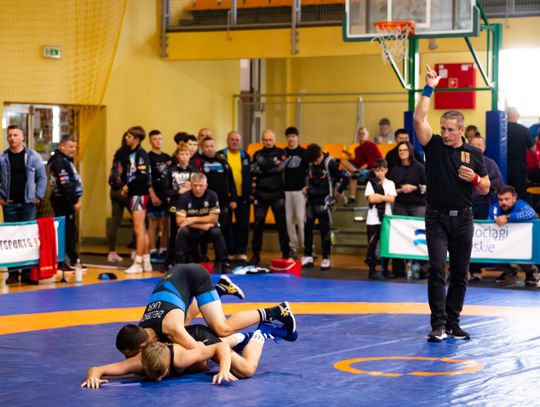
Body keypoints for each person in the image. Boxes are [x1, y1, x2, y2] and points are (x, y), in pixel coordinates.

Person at [413, 65, 490, 342]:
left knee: (460, 273)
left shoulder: (473, 153)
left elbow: (486, 187)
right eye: (443, 128)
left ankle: (453, 322)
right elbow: (419, 118)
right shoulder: (433, 146)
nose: (445, 133)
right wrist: (429, 88)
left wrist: (475, 178)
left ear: (461, 131)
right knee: (436, 270)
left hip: (464, 219)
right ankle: (438, 325)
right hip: (436, 217)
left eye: (450, 130)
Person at [115, 263, 296, 353]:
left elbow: (201, 352)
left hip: (194, 276)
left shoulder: (172, 328)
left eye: (129, 355)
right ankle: (219, 289)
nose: (131, 359)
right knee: (183, 322)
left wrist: (225, 353)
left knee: (222, 328)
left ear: (142, 345)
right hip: (176, 280)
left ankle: (277, 311)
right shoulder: (141, 329)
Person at [82, 322, 297, 388]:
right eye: (152, 374)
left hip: (199, 339)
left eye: (160, 375)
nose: (158, 380)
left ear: (168, 367)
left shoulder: (181, 357)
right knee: (202, 362)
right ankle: (240, 338)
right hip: (197, 350)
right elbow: (98, 369)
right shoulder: (138, 362)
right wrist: (93, 377)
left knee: (246, 370)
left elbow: (218, 349)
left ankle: (262, 332)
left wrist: (224, 369)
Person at [0, 124, 47, 284]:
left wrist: (38, 196)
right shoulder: (2, 158)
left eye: (16, 135)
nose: (12, 138)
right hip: (9, 205)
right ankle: (13, 273)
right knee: (11, 240)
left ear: (23, 137)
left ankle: (27, 273)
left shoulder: (33, 156)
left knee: (29, 238)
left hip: (28, 204)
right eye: (10, 135)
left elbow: (42, 177)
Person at [302, 143, 350, 270]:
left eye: (316, 160)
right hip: (310, 200)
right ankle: (308, 256)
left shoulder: (331, 163)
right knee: (307, 229)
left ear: (320, 155)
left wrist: (338, 191)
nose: (315, 163)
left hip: (324, 201)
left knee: (325, 231)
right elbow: (307, 177)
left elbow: (347, 175)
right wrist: (305, 186)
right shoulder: (311, 162)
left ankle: (326, 258)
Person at [174, 172, 230, 273]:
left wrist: (192, 219)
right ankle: (179, 265)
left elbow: (214, 219)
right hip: (193, 231)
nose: (198, 188)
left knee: (217, 232)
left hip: (207, 231)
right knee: (182, 231)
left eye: (201, 185)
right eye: (195, 185)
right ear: (191, 185)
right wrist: (202, 225)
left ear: (206, 186)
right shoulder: (184, 197)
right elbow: (180, 221)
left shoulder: (212, 195)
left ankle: (224, 264)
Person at [249, 130, 289, 265]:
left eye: (270, 139)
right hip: (260, 194)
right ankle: (255, 255)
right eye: (265, 140)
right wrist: (272, 168)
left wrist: (263, 169)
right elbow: (252, 170)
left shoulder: (281, 152)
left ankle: (285, 254)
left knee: (281, 225)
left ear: (274, 139)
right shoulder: (257, 154)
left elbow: (281, 168)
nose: (268, 142)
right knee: (258, 225)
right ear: (262, 140)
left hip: (277, 194)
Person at [387, 141, 427, 277]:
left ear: (410, 151)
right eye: (400, 150)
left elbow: (428, 187)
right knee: (399, 236)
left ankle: (424, 269)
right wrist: (400, 190)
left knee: (420, 235)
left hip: (418, 205)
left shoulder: (420, 168)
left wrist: (414, 188)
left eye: (404, 150)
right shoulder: (395, 170)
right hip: (400, 205)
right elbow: (390, 189)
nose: (402, 152)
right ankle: (398, 269)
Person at [467, 135, 504, 281]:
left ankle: (476, 270)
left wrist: (480, 184)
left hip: (483, 205)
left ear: (484, 148)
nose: (476, 147)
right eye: (473, 145)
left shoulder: (490, 164)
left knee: (478, 238)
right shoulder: (462, 161)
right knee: (462, 237)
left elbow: (498, 183)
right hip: (463, 204)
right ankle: (460, 269)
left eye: (479, 145)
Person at [121, 126, 156, 274]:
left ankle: (138, 261)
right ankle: (147, 260)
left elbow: (142, 175)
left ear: (136, 139)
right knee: (142, 228)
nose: (126, 138)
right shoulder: (132, 153)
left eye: (129, 136)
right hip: (135, 193)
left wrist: (128, 186)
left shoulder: (141, 154)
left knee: (138, 228)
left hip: (139, 194)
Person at [488, 185, 539, 286]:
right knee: (490, 249)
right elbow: (488, 223)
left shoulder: (520, 204)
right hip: (503, 242)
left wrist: (508, 217)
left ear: (514, 197)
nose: (503, 202)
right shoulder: (495, 208)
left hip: (521, 243)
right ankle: (509, 272)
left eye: (507, 199)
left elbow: (531, 213)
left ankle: (531, 272)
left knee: (521, 249)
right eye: (500, 199)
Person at [47, 135, 84, 269]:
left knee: (69, 230)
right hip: (63, 201)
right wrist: (74, 201)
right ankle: (62, 261)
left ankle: (72, 259)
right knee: (65, 231)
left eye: (74, 147)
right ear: (62, 146)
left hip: (66, 200)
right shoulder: (59, 161)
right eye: (70, 147)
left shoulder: (65, 160)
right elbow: (65, 184)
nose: (73, 149)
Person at [197, 136, 236, 258]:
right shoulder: (198, 163)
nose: (209, 149)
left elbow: (231, 181)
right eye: (206, 146)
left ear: (215, 147)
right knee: (203, 231)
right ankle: (202, 256)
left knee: (223, 230)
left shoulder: (223, 162)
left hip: (222, 203)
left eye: (211, 146)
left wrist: (233, 199)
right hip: (203, 203)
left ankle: (222, 257)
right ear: (202, 148)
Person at [219, 131, 251, 261]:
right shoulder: (220, 155)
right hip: (226, 197)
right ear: (227, 140)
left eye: (237, 140)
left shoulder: (245, 156)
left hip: (243, 196)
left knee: (243, 225)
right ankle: (228, 252)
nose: (234, 142)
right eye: (232, 139)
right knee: (226, 226)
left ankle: (241, 251)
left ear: (240, 141)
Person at [165, 143, 197, 268]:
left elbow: (202, 188)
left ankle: (190, 260)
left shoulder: (195, 171)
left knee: (190, 233)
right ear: (177, 156)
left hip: (191, 207)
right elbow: (165, 191)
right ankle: (170, 261)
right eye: (182, 154)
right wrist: (179, 191)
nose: (184, 156)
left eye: (186, 154)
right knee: (174, 234)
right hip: (176, 205)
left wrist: (191, 188)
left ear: (190, 155)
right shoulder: (171, 171)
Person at [364, 159, 396, 279]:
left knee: (385, 244)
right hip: (372, 218)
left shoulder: (390, 183)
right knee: (372, 244)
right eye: (377, 170)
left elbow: (392, 199)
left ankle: (386, 268)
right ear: (374, 171)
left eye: (382, 170)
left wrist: (378, 196)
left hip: (386, 217)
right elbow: (371, 199)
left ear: (386, 170)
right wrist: (384, 197)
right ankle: (372, 269)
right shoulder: (370, 183)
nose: (379, 173)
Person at [341, 127, 383, 206]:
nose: (361, 135)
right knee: (343, 161)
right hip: (360, 170)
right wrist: (351, 158)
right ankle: (352, 198)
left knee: (354, 175)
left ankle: (357, 173)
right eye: (359, 134)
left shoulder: (372, 145)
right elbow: (358, 163)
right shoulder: (357, 149)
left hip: (371, 170)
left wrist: (367, 165)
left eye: (363, 134)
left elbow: (380, 159)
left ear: (367, 135)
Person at [147, 130, 171, 263]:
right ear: (150, 141)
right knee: (153, 224)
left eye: (160, 138)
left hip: (165, 194)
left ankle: (163, 249)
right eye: (155, 139)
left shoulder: (167, 157)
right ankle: (152, 251)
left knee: (165, 223)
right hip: (153, 194)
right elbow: (147, 179)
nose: (158, 141)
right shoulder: (148, 157)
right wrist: (152, 195)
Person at [283, 126, 307, 260]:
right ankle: (293, 248)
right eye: (289, 136)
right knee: (289, 221)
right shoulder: (283, 153)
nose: (291, 139)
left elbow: (309, 171)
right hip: (287, 191)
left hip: (300, 191)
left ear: (297, 138)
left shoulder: (304, 153)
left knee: (301, 220)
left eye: (293, 136)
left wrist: (307, 186)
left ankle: (307, 247)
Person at [106, 133, 131, 263]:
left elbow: (112, 171)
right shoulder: (132, 154)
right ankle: (136, 251)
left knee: (115, 221)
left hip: (114, 190)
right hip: (125, 190)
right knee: (139, 221)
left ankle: (111, 252)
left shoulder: (118, 152)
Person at [507, 107, 535, 200]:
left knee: (505, 191)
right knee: (519, 193)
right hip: (519, 166)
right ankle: (519, 208)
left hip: (502, 166)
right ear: (518, 115)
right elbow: (533, 149)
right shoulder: (524, 130)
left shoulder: (501, 129)